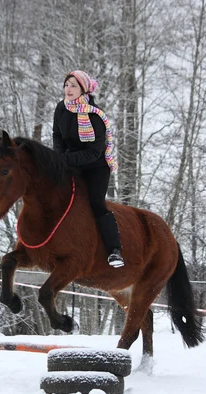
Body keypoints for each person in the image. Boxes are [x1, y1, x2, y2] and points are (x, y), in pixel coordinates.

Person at [52, 70, 124, 268]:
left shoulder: (95, 115)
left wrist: (64, 159)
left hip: (96, 166)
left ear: (83, 89)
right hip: (71, 163)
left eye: (73, 85)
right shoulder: (61, 108)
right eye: (67, 84)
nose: (68, 89)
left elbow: (93, 152)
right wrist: (59, 157)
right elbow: (57, 135)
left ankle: (114, 250)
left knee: (95, 203)